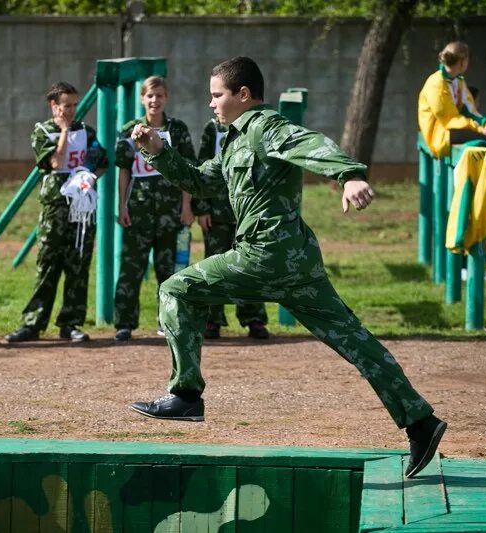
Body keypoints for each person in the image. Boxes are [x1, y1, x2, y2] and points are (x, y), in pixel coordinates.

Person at [129, 56, 446, 479]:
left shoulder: (265, 126)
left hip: (264, 255)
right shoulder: (236, 139)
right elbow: (203, 181)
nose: (211, 104)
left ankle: (186, 394)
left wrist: (349, 175)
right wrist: (158, 151)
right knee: (355, 340)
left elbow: (309, 142)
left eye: (216, 95)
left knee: (175, 289)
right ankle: (420, 422)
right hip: (295, 263)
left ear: (243, 95)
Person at [5, 82, 108, 343]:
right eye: (67, 105)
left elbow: (103, 162)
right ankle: (33, 324)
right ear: (54, 106)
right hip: (54, 210)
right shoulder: (42, 132)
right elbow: (55, 162)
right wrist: (63, 132)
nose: (72, 110)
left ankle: (70, 323)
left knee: (78, 266)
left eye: (75, 105)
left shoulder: (86, 131)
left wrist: (89, 178)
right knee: (48, 266)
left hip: (80, 211)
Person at [113, 76, 197, 342]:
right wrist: (121, 206)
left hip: (171, 210)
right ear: (142, 99)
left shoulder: (178, 129)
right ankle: (124, 324)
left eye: (159, 95)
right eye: (150, 96)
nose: (154, 100)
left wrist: (187, 206)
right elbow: (124, 171)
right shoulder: (129, 130)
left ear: (166, 98)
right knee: (131, 267)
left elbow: (186, 170)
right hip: (138, 209)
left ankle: (167, 321)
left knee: (169, 270)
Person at [418, 41, 486, 229]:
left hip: (456, 127)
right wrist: (480, 130)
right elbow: (449, 120)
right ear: (462, 61)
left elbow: (470, 110)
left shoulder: (458, 81)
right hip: (441, 134)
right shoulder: (436, 84)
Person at [192, 117, 270, 340]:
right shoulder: (212, 128)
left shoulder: (256, 127)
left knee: (250, 266)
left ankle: (253, 318)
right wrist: (203, 208)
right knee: (214, 266)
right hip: (216, 214)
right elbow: (202, 168)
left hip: (247, 212)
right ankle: (212, 320)